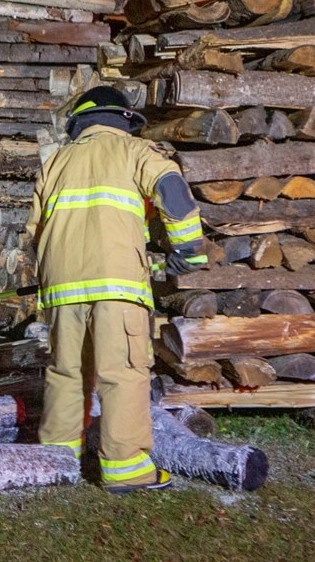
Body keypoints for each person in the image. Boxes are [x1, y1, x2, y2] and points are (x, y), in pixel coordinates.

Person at [25, 86, 207, 494]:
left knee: (66, 374)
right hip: (117, 286)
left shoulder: (56, 161)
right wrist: (189, 251)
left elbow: (34, 233)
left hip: (61, 290)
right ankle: (126, 469)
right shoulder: (136, 153)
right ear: (125, 120)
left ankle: (56, 461)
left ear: (81, 123)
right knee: (121, 374)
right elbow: (173, 194)